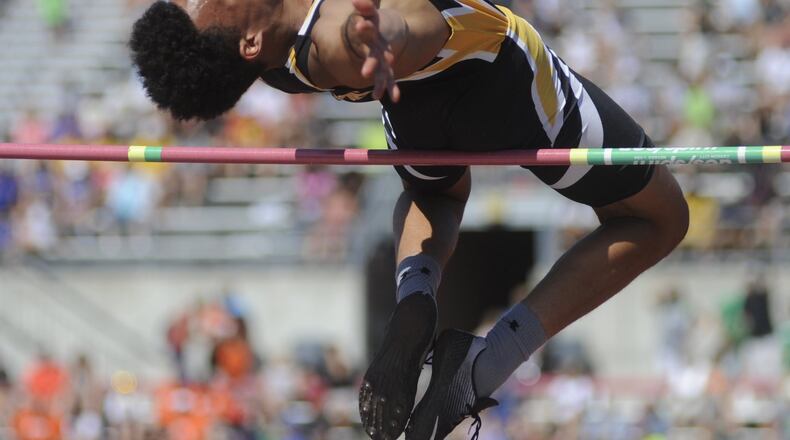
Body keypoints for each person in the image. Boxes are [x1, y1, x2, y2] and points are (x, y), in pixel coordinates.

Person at [129, 0, 689, 438]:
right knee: (658, 219)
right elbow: (398, 25)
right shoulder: (332, 41)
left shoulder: (282, 56)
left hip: (416, 109)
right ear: (249, 41)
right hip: (495, 73)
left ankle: (415, 297)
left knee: (438, 199)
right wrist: (381, 37)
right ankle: (484, 364)